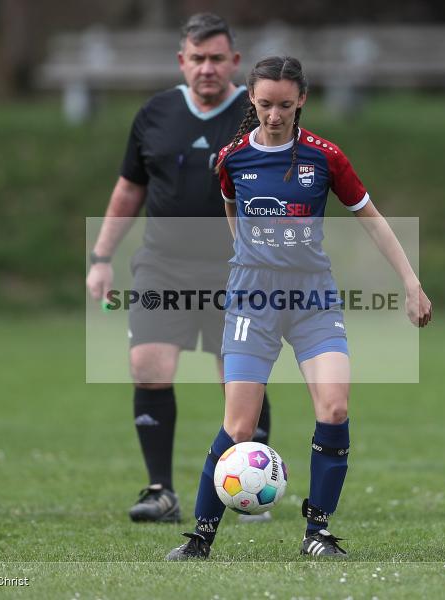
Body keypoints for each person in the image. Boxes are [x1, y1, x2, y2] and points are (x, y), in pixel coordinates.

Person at [166, 56, 433, 560]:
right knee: (240, 427)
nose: (273, 115)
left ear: (302, 101)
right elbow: (230, 204)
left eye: (284, 105)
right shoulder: (232, 159)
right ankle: (200, 537)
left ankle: (317, 531)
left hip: (313, 299)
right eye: (265, 104)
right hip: (253, 301)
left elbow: (371, 219)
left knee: (334, 408)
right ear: (251, 98)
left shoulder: (325, 158)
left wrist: (410, 282)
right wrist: (243, 259)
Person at [85, 13, 274, 524]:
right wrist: (101, 257)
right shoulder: (156, 113)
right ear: (181, 61)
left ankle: (253, 485)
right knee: (147, 367)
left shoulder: (261, 114)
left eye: (217, 59)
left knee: (238, 380)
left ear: (235, 62)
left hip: (238, 271)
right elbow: (129, 189)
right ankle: (159, 491)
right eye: (197, 59)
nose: (207, 68)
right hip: (162, 266)